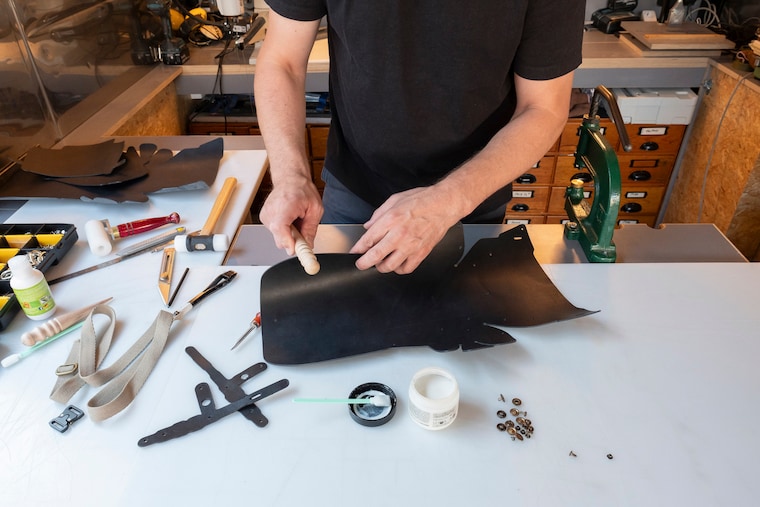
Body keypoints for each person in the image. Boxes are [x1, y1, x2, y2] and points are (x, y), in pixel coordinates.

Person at [254, 1, 585, 274]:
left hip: (471, 200)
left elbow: (543, 108)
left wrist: (447, 200)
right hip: (355, 192)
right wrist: (290, 176)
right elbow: (282, 61)